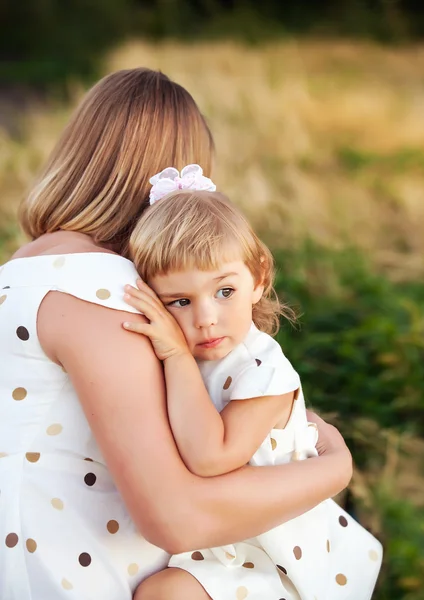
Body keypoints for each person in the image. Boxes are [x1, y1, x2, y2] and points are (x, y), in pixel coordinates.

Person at [0, 68, 353, 600]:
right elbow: (178, 519)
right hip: (76, 578)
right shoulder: (108, 292)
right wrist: (336, 468)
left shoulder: (14, 277)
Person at [122, 165, 383, 600]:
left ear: (258, 278)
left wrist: (176, 355)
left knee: (165, 593)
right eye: (180, 302)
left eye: (224, 291)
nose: (205, 318)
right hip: (220, 543)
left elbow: (211, 456)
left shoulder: (264, 368)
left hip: (272, 559)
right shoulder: (193, 359)